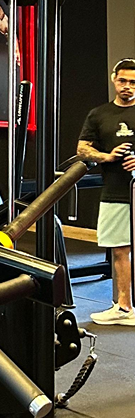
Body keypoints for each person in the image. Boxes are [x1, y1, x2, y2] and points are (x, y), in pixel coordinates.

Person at [77, 58, 135, 326]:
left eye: (133, 82)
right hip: (115, 192)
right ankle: (124, 307)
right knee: (120, 250)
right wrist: (107, 156)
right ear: (114, 79)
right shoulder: (99, 114)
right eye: (123, 80)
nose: (127, 86)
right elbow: (83, 148)